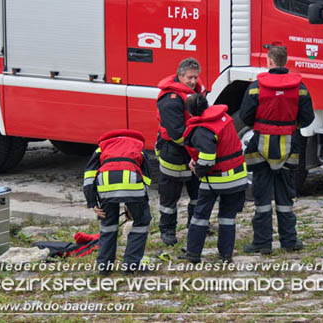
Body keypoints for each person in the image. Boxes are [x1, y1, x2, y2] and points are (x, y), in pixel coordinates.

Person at [240, 45, 314, 254]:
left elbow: (246, 115)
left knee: (262, 197)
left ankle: (262, 243)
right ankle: (289, 241)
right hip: (289, 146)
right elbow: (308, 118)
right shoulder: (300, 87)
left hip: (260, 146)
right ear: (285, 61)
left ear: (269, 61)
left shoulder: (256, 86)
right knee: (285, 196)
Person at [177, 94, 248, 263]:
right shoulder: (224, 118)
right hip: (238, 176)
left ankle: (193, 254)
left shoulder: (202, 129)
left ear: (190, 112)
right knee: (227, 218)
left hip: (216, 180)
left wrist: (197, 169)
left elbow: (208, 158)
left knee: (200, 217)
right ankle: (225, 255)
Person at [82, 129, 152, 274]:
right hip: (133, 186)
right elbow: (146, 177)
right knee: (141, 222)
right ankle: (131, 265)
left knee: (108, 225)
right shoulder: (138, 146)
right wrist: (139, 202)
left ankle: (104, 267)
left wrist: (92, 203)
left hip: (106, 187)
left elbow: (89, 176)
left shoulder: (102, 148)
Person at [156, 57, 206, 246]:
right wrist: (197, 142)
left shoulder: (197, 91)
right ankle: (167, 230)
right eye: (189, 78)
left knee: (197, 193)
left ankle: (196, 225)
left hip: (193, 149)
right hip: (174, 151)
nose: (193, 81)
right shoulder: (171, 100)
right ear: (180, 76)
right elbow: (177, 133)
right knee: (169, 197)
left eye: (195, 77)